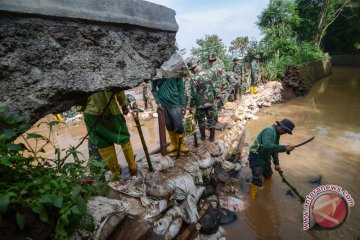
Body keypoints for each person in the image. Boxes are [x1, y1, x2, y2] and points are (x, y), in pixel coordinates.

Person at [83, 91, 137, 179]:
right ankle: (133, 168)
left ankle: (115, 173)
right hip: (110, 111)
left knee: (102, 142)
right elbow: (119, 89)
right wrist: (123, 104)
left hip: (90, 113)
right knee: (123, 137)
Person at [248, 119, 296, 199]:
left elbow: (274, 150)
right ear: (280, 126)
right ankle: (252, 200)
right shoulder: (269, 131)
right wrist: (285, 148)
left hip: (265, 157)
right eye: (285, 131)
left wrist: (277, 164)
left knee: (268, 174)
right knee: (257, 180)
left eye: (287, 132)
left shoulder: (277, 135)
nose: (285, 133)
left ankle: (268, 190)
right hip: (256, 157)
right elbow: (267, 146)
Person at [151, 76, 189, 154]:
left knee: (179, 126)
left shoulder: (176, 71)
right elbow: (153, 89)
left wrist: (183, 105)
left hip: (176, 103)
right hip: (163, 105)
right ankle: (173, 145)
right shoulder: (157, 74)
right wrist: (158, 102)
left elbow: (181, 89)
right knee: (169, 125)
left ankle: (181, 146)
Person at [187, 59, 218, 142]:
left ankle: (203, 137)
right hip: (211, 102)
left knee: (201, 121)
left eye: (191, 70)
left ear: (194, 68)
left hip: (200, 104)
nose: (192, 71)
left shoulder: (194, 78)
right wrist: (215, 97)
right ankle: (212, 138)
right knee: (211, 119)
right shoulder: (209, 73)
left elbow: (193, 94)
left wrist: (191, 106)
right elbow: (214, 87)